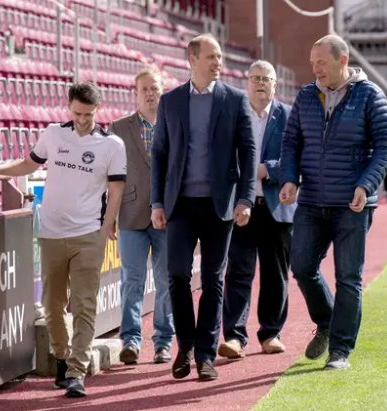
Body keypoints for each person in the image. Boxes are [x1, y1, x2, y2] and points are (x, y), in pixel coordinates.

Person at [0, 82, 126, 397]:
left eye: (88, 114)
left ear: (98, 110)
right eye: (77, 113)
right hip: (52, 234)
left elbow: (116, 191)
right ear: (68, 107)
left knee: (84, 305)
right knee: (53, 305)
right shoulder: (53, 134)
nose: (82, 119)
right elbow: (28, 164)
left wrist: (106, 228)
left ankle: (76, 372)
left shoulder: (112, 145)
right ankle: (61, 355)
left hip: (89, 235)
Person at [279, 34, 387, 370]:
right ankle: (327, 323)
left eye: (321, 63)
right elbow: (291, 143)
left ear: (342, 61)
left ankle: (341, 350)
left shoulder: (370, 95)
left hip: (352, 204)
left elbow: (386, 146)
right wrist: (289, 178)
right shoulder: (306, 95)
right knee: (301, 266)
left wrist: (365, 185)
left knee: (348, 277)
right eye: (312, 63)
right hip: (312, 201)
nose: (315, 69)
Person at [150, 34, 256, 381]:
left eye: (221, 56)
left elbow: (248, 151)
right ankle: (186, 345)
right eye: (211, 56)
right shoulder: (171, 101)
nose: (218, 62)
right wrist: (156, 202)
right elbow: (160, 155)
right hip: (179, 204)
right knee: (177, 274)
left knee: (213, 279)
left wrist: (245, 198)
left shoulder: (235, 100)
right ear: (192, 59)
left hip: (219, 206)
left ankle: (206, 355)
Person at [218, 60, 295, 359]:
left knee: (276, 274)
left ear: (275, 85)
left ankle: (271, 333)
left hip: (277, 207)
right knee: (238, 272)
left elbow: (295, 158)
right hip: (241, 206)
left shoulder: (288, 116)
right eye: (255, 78)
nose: (261, 83)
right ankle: (235, 337)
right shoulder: (232, 115)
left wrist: (265, 170)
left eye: (267, 79)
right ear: (246, 83)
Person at [108, 67, 174, 365]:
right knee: (131, 281)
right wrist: (107, 217)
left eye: (155, 88)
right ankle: (131, 342)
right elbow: (109, 178)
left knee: (166, 281)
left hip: (168, 218)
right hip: (131, 216)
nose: (150, 94)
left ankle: (163, 342)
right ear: (135, 94)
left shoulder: (176, 126)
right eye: (144, 89)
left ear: (163, 92)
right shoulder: (118, 129)